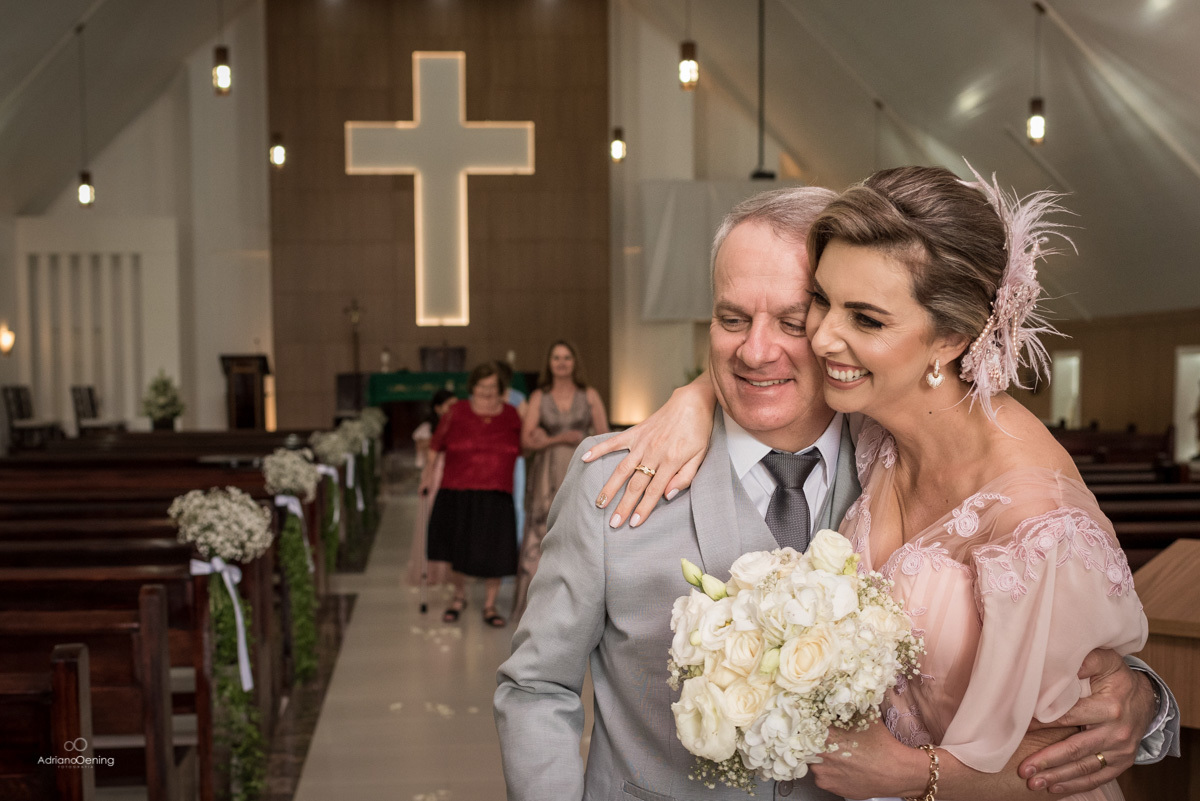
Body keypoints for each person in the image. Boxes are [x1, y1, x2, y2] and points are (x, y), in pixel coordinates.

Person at [495, 185, 1174, 801]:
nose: (760, 350)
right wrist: (697, 393)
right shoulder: (614, 477)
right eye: (732, 319)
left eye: (796, 319)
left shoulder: (882, 440)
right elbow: (535, 685)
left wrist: (1144, 695)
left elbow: (1055, 642)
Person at [510, 340, 610, 623]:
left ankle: (577, 607)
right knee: (542, 532)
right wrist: (559, 439)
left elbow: (604, 436)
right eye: (556, 357)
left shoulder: (589, 395)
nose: (562, 362)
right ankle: (536, 608)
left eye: (567, 357)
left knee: (579, 532)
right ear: (549, 363)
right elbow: (526, 440)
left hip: (580, 470)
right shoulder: (540, 397)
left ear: (574, 362)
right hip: (547, 472)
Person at [420, 363, 521, 627]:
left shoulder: (511, 414)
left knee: (497, 551)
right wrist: (428, 475)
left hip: (498, 490)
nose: (487, 391)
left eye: (492, 386)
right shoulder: (456, 411)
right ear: (472, 387)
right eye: (482, 386)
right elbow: (435, 445)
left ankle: (490, 605)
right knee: (458, 548)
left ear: (501, 389)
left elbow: (525, 446)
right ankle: (458, 597)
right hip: (458, 488)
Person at [405, 388, 456, 588]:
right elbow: (423, 455)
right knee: (431, 521)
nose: (453, 409)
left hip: (454, 477)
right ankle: (430, 572)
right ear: (437, 408)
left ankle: (450, 573)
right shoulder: (426, 430)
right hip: (434, 478)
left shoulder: (461, 426)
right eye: (448, 406)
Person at [495, 360, 530, 550]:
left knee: (516, 502)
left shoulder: (517, 398)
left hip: (513, 457)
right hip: (490, 458)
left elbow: (527, 427)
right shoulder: (481, 398)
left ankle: (515, 547)